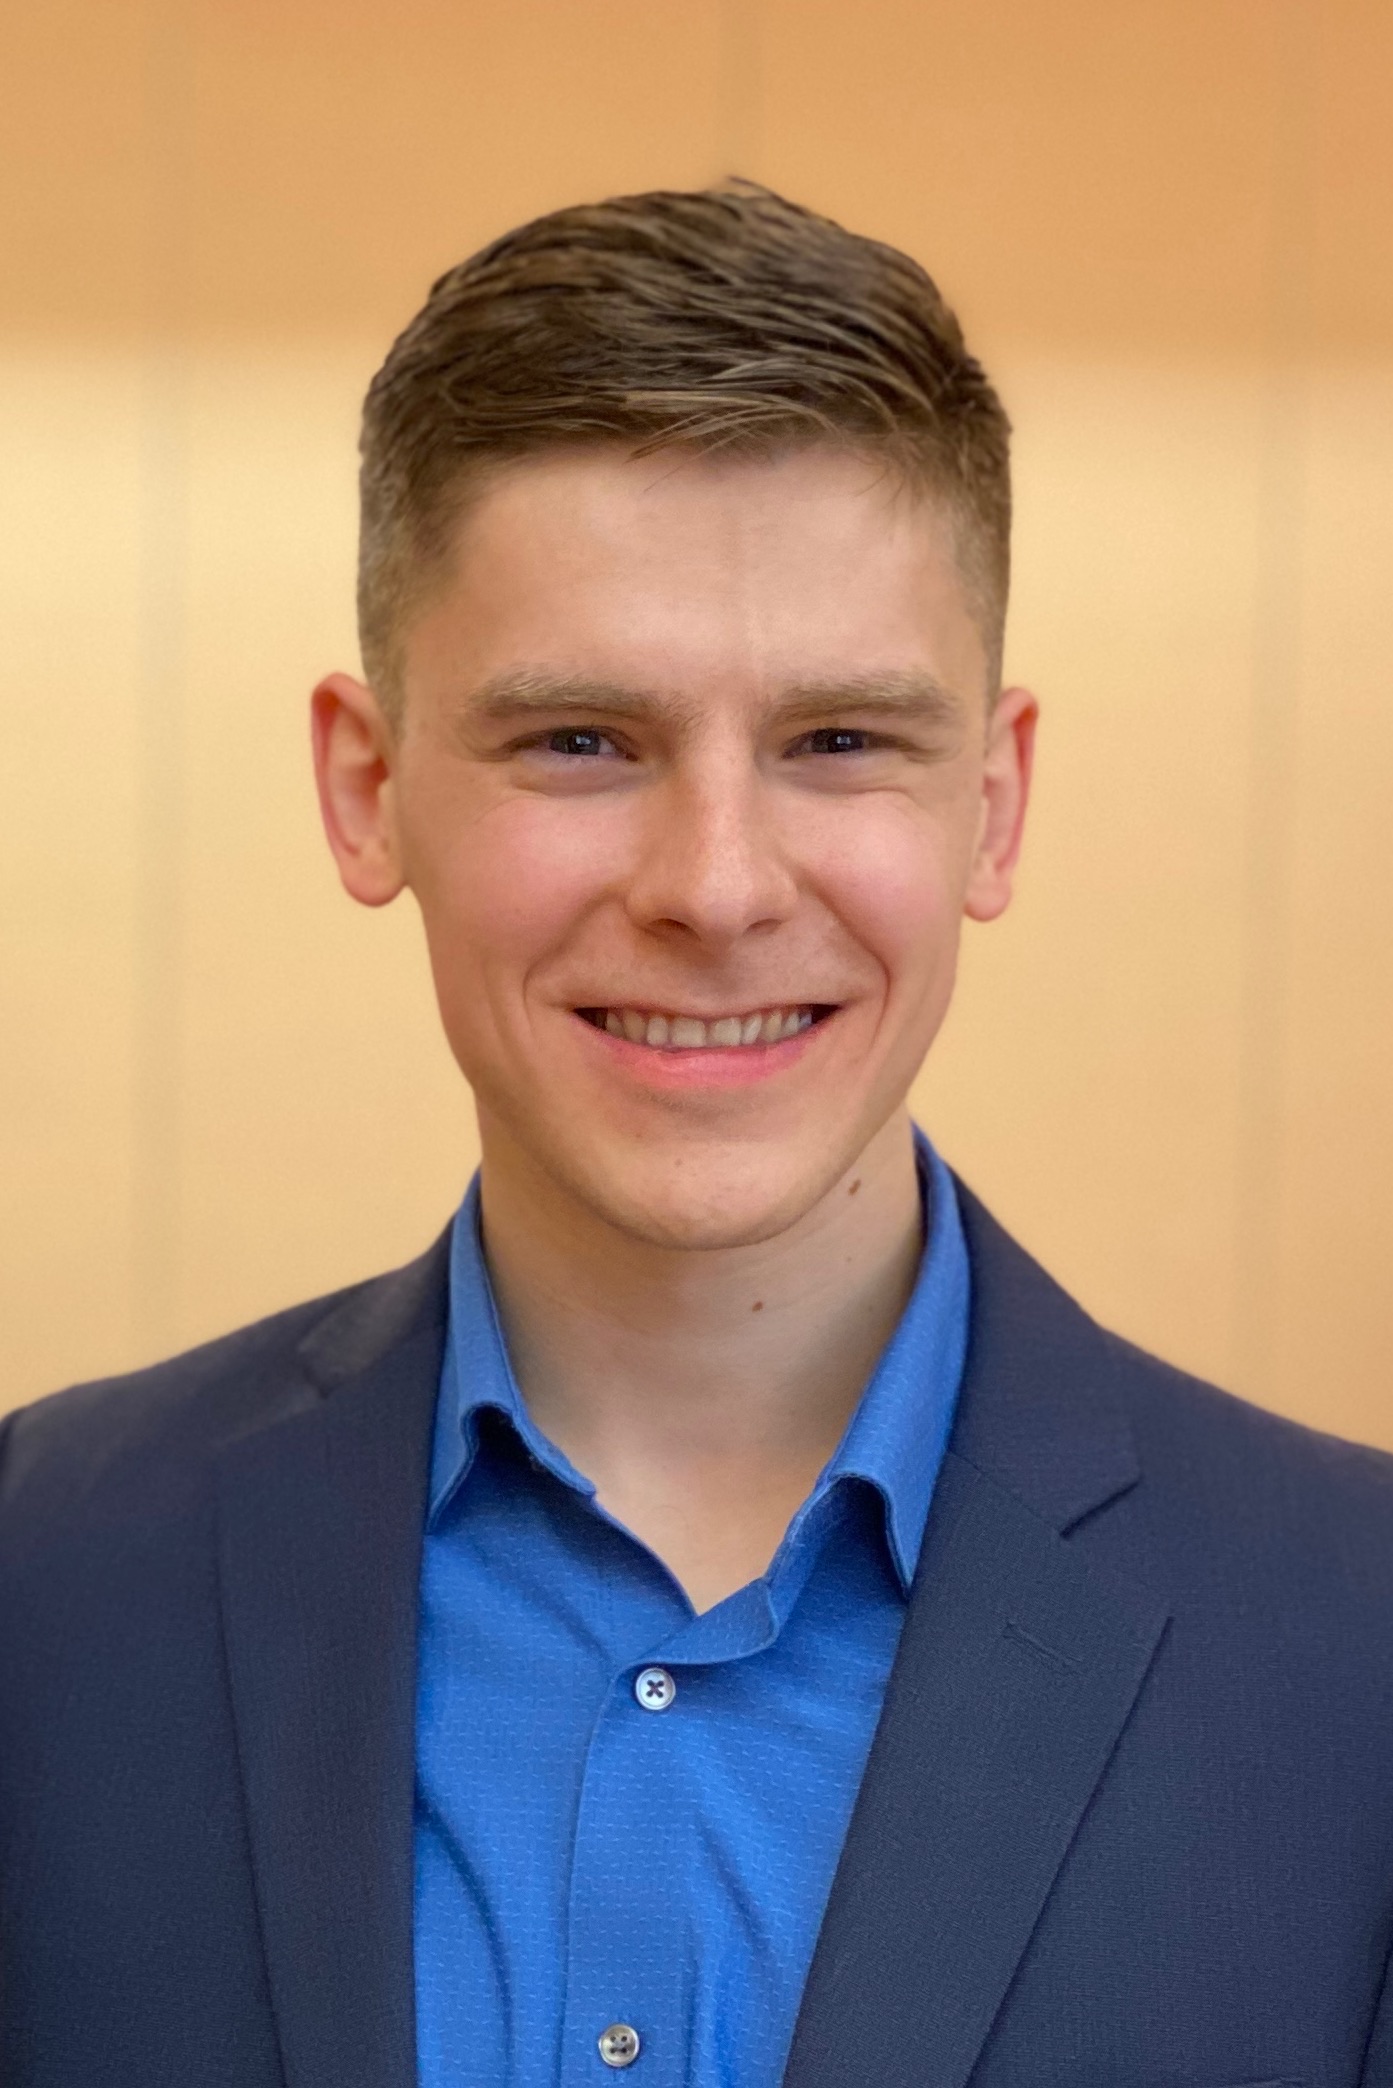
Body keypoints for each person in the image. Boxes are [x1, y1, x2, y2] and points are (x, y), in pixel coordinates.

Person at [2, 182, 1391, 2088]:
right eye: (580, 740)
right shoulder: (46, 1578)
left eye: (838, 742)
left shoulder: (1358, 1645)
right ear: (366, 788)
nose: (717, 887)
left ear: (991, 807)